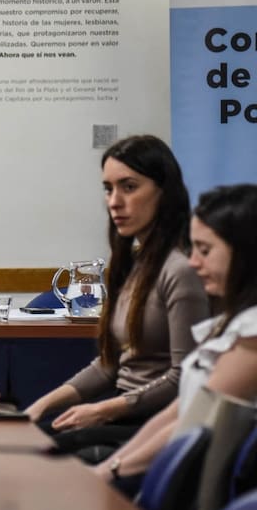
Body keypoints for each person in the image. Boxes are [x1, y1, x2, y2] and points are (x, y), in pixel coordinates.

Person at [25, 136, 209, 459]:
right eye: (108, 189)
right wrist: (38, 407)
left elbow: (184, 378)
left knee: (36, 454)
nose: (114, 201)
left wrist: (104, 411)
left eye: (129, 187)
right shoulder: (135, 264)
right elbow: (111, 364)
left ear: (164, 191)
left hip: (152, 424)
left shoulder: (180, 269)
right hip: (124, 410)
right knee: (22, 439)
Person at [93, 183, 257, 490]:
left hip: (199, 489)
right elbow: (178, 410)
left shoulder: (252, 336)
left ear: (245, 253)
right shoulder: (232, 322)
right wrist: (109, 467)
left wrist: (112, 472)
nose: (194, 262)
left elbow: (192, 424)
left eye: (205, 250)